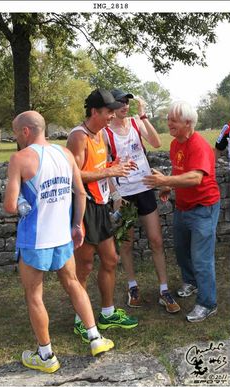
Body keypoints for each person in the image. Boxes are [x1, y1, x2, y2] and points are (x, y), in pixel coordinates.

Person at [3, 110, 114, 374]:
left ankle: (46, 355)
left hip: (35, 239)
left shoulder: (20, 159)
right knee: (73, 283)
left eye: (17, 132)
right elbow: (81, 193)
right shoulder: (64, 154)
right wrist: (77, 225)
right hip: (63, 235)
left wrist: (20, 204)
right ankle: (95, 338)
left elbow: (9, 205)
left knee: (34, 295)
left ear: (26, 131)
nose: (16, 137)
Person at [67, 88, 138, 342]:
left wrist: (115, 169)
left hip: (101, 204)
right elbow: (75, 176)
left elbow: (98, 167)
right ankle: (80, 320)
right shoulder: (79, 136)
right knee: (84, 267)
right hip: (84, 206)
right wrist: (110, 172)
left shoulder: (100, 135)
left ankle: (107, 314)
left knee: (110, 259)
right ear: (95, 111)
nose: (112, 115)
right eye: (108, 111)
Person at [103, 88, 180, 313]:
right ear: (111, 107)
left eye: (126, 102)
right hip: (124, 193)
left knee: (156, 240)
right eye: (119, 103)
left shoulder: (137, 122)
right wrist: (115, 196)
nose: (124, 106)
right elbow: (103, 167)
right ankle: (132, 286)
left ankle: (164, 290)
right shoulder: (106, 132)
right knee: (126, 243)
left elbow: (156, 143)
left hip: (144, 187)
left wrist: (144, 115)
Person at [143, 101, 221, 322]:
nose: (169, 123)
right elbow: (182, 172)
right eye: (168, 119)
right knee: (181, 250)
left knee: (202, 259)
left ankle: (208, 303)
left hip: (203, 209)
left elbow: (196, 177)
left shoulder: (199, 146)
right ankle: (191, 282)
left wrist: (165, 180)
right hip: (183, 208)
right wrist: (169, 186)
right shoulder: (176, 144)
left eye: (173, 120)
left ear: (188, 123)